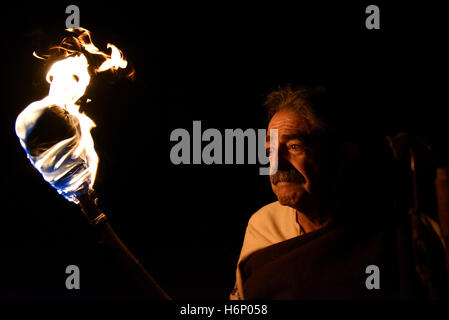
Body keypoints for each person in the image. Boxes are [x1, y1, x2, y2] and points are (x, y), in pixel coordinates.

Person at [230, 85, 449, 300]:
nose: (276, 164)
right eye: (270, 151)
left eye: (294, 147)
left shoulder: (395, 232)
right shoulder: (263, 226)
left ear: (342, 155)